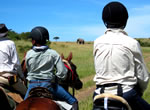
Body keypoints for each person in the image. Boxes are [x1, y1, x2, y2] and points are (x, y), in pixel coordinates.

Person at [93, 1, 150, 110]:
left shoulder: (97, 42)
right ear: (125, 20)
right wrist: (139, 91)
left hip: (99, 95)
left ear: (104, 20)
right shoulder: (132, 43)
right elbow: (143, 77)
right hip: (126, 95)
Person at [24, 26, 78, 110]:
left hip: (32, 86)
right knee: (73, 101)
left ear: (34, 41)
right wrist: (57, 78)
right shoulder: (53, 53)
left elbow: (28, 69)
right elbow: (63, 72)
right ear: (46, 40)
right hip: (49, 85)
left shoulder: (28, 54)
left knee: (23, 104)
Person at [0, 24, 27, 106]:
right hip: (8, 79)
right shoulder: (10, 43)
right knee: (28, 96)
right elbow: (17, 64)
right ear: (7, 32)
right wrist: (22, 77)